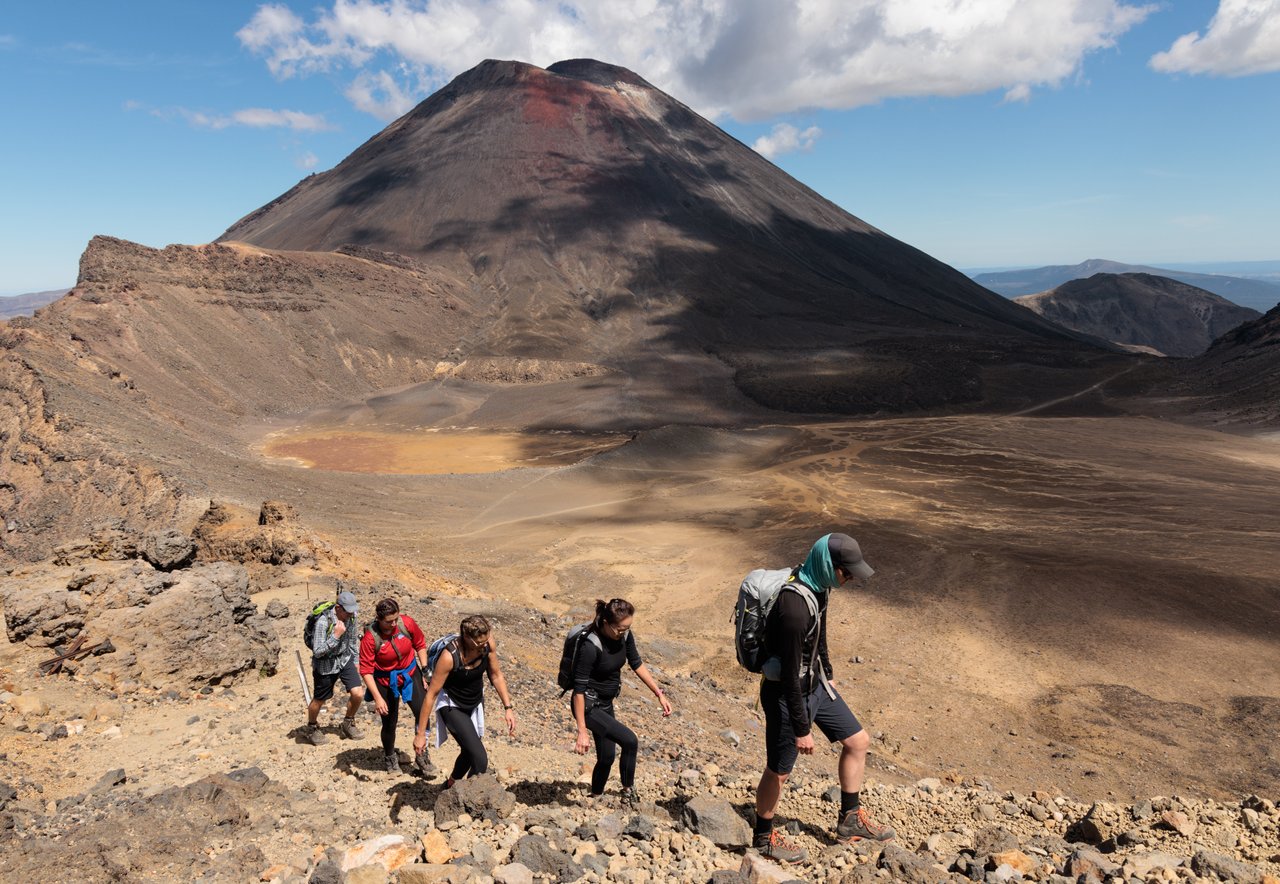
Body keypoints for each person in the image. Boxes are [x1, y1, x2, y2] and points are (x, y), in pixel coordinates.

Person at [753, 533, 895, 865]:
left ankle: (849, 820)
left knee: (858, 741)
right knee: (779, 771)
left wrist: (827, 669)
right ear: (830, 565)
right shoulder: (794, 610)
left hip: (815, 685)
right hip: (787, 697)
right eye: (846, 572)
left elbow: (821, 631)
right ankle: (763, 838)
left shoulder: (818, 585)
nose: (849, 579)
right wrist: (803, 729)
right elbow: (788, 675)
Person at [571, 598, 671, 806]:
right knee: (629, 741)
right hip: (588, 706)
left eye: (628, 627)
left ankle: (595, 797)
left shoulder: (624, 636)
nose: (623, 632)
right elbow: (578, 691)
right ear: (606, 623)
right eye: (620, 628)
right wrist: (581, 730)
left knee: (607, 757)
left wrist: (659, 694)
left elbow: (636, 663)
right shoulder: (590, 646)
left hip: (606, 703)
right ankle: (628, 793)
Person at [412, 615, 517, 787]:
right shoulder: (449, 657)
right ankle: (467, 798)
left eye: (486, 640)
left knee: (470, 752)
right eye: (479, 643)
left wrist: (508, 707)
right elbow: (431, 694)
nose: (484, 645)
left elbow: (496, 675)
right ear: (466, 638)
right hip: (452, 706)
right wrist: (421, 734)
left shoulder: (487, 644)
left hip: (475, 703)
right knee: (480, 759)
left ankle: (451, 786)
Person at [359, 597, 428, 773]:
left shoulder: (407, 624)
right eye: (389, 621)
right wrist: (378, 698)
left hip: (410, 674)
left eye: (396, 618)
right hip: (384, 681)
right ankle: (390, 756)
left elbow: (420, 644)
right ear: (379, 619)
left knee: (422, 714)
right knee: (389, 722)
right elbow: (366, 670)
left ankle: (422, 754)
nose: (394, 624)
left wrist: (425, 671)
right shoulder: (370, 638)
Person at [304, 590, 364, 745]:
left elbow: (352, 641)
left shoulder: (352, 618)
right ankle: (312, 727)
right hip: (325, 665)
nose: (351, 614)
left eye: (352, 611)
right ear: (338, 608)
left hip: (344, 659)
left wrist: (356, 661)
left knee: (358, 693)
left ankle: (347, 723)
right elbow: (317, 652)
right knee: (319, 700)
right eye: (348, 611)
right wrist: (335, 636)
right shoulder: (323, 621)